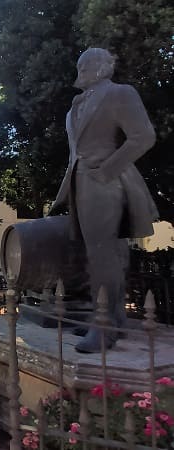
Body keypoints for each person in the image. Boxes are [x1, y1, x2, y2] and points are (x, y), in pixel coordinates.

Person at [51, 48, 158, 353]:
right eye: (79, 64)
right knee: (99, 253)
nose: (80, 69)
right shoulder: (73, 108)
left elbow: (143, 136)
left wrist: (106, 171)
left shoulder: (120, 93)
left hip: (106, 183)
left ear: (101, 68)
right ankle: (113, 318)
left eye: (86, 64)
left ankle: (104, 327)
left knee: (103, 253)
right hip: (79, 183)